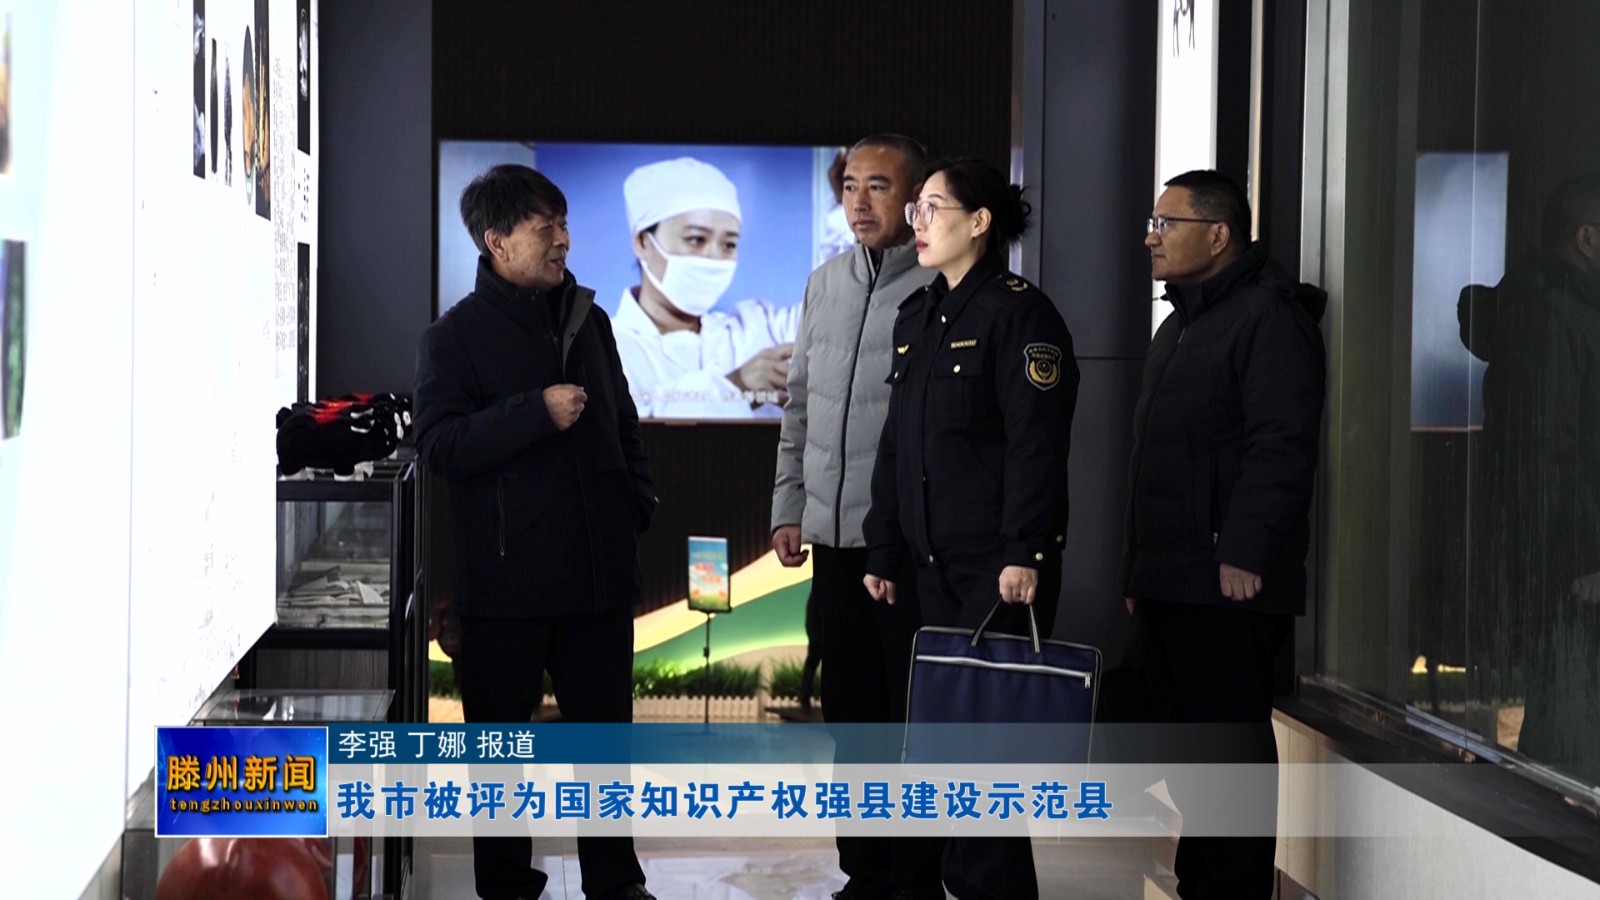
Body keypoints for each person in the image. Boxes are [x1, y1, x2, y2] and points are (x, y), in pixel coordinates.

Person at [413, 164, 657, 900]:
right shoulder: (453, 337)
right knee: (498, 758)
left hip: (595, 581)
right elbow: (439, 445)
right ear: (497, 242)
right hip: (504, 587)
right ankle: (506, 886)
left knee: (604, 750)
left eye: (564, 223)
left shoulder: (591, 319)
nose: (563, 239)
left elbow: (623, 422)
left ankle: (615, 884)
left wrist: (635, 503)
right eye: (544, 226)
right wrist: (533, 413)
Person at [862, 158, 1079, 900]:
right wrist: (883, 545)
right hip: (928, 567)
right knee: (938, 753)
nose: (917, 223)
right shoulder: (918, 315)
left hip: (996, 571)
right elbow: (898, 444)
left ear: (979, 222)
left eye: (932, 208)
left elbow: (1036, 445)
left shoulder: (1021, 315)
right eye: (915, 211)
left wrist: (1026, 552)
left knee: (985, 759)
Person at [1111, 169, 1326, 900]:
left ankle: (1228, 889)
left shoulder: (1268, 319)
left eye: (1166, 224)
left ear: (1219, 235)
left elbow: (1281, 445)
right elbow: (1154, 463)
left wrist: (1244, 549)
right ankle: (1201, 885)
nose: (1151, 238)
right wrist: (1139, 570)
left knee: (1227, 759)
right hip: (1172, 581)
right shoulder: (1180, 324)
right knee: (1186, 755)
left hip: (1227, 583)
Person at [770, 134, 944, 900]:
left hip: (903, 547)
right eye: (850, 186)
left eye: (879, 185)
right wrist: (789, 506)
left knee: (908, 716)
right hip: (835, 543)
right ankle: (865, 872)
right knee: (852, 714)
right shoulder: (825, 283)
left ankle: (914, 876)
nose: (860, 202)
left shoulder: (939, 285)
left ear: (917, 199)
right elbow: (799, 405)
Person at [1459, 173, 1600, 785]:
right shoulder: (1553, 318)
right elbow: (1547, 451)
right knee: (1570, 740)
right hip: (1574, 571)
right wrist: (1584, 553)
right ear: (1588, 239)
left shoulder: (1565, 312)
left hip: (1567, 563)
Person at [611, 157, 802, 419]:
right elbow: (623, 426)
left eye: (729, 244)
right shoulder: (606, 349)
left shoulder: (756, 330)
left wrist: (845, 204)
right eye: (696, 239)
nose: (714, 257)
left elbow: (844, 307)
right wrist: (735, 387)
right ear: (643, 242)